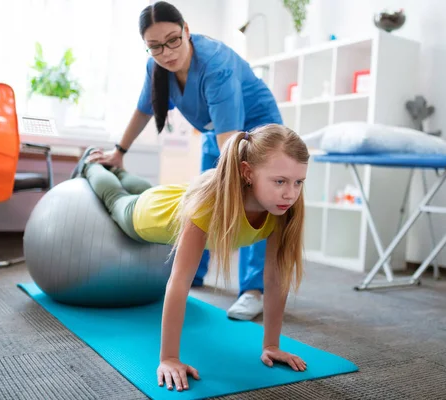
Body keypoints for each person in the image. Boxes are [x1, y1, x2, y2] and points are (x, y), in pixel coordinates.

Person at [70, 123, 310, 392]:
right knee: (115, 196)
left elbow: (275, 278)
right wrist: (169, 359)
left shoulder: (282, 209)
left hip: (173, 198)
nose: (290, 193)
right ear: (247, 173)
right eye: (280, 181)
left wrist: (271, 345)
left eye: (298, 182)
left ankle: (117, 169)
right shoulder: (211, 206)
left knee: (134, 184)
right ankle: (92, 163)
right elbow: (180, 281)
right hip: (146, 216)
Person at [88, 1, 283, 321]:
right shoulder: (157, 67)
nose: (166, 52)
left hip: (258, 130)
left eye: (173, 39)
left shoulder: (216, 65)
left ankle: (253, 289)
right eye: (154, 46)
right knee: (205, 199)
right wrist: (119, 151)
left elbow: (231, 143)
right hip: (218, 133)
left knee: (252, 200)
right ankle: (194, 272)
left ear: (186, 31)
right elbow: (143, 109)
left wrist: (238, 177)